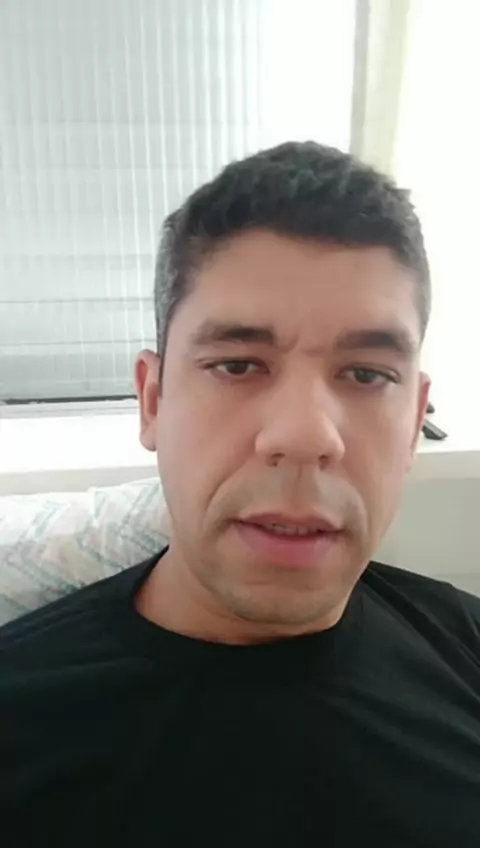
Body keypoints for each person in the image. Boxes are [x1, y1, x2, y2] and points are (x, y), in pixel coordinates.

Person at [1, 142, 479, 847]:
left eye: (366, 374)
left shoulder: (465, 647)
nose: (306, 435)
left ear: (413, 422)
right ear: (153, 401)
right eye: (237, 365)